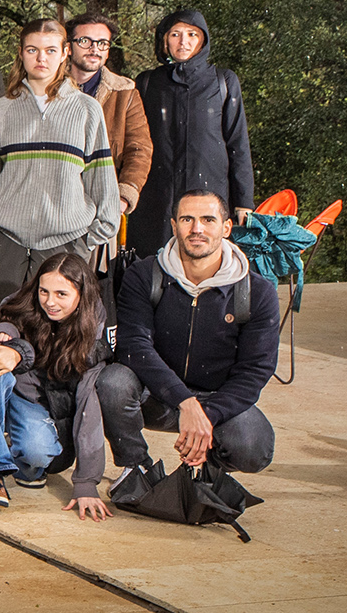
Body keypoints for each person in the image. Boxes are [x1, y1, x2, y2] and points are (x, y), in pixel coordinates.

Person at [101, 190, 278, 477]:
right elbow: (134, 346)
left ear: (226, 227)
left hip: (216, 399)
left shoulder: (257, 291)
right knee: (112, 383)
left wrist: (206, 415)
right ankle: (134, 468)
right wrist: (185, 402)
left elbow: (256, 370)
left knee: (253, 447)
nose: (197, 229)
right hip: (156, 395)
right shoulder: (144, 275)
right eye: (187, 219)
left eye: (208, 219)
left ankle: (206, 470)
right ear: (174, 226)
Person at [0, 18, 120, 308]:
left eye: (49, 50)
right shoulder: (1, 110)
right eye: (32, 50)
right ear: (21, 53)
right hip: (5, 240)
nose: (41, 58)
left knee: (55, 328)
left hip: (66, 240)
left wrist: (93, 237)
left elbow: (102, 178)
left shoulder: (86, 109)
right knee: (2, 321)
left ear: (65, 53)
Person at [0, 251, 113, 517]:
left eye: (61, 294)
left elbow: (88, 404)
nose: (50, 302)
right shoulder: (22, 304)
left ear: (82, 295)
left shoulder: (92, 329)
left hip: (37, 404)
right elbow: (3, 326)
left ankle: (19, 456)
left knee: (38, 456)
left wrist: (86, 483)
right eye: (44, 291)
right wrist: (8, 339)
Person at [130, 9, 255, 259]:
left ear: (203, 40)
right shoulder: (146, 83)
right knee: (153, 266)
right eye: (175, 34)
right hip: (155, 197)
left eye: (191, 34)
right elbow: (133, 142)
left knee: (204, 261)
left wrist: (244, 201)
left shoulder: (224, 81)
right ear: (164, 41)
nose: (183, 41)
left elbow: (237, 144)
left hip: (209, 193)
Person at [63, 12, 153, 311]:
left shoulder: (124, 92)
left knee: (92, 291)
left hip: (102, 207)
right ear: (69, 45)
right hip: (55, 205)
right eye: (86, 40)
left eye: (103, 42)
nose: (95, 48)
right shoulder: (47, 85)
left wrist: (123, 198)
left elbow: (139, 149)